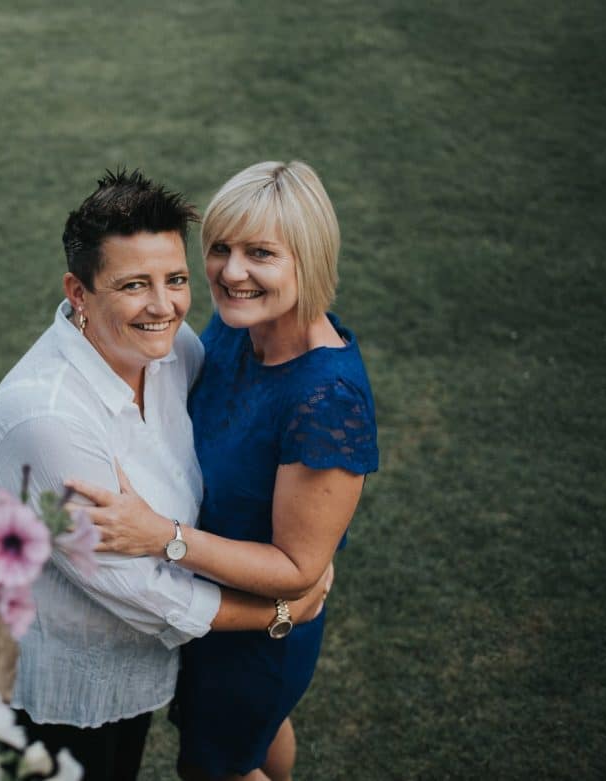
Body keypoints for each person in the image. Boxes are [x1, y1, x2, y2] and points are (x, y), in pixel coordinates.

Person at [0, 169, 329, 780]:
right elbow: (138, 593)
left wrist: (307, 537)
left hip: (129, 674)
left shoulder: (173, 351)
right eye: (134, 285)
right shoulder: (49, 420)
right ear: (79, 292)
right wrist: (280, 610)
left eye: (176, 280)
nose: (164, 306)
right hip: (54, 692)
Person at [67, 161, 379, 780]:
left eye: (260, 253)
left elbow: (299, 572)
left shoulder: (326, 399)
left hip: (257, 635)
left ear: (309, 259)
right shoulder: (242, 328)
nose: (231, 272)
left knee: (215, 769)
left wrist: (161, 537)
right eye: (220, 249)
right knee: (251, 745)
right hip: (210, 601)